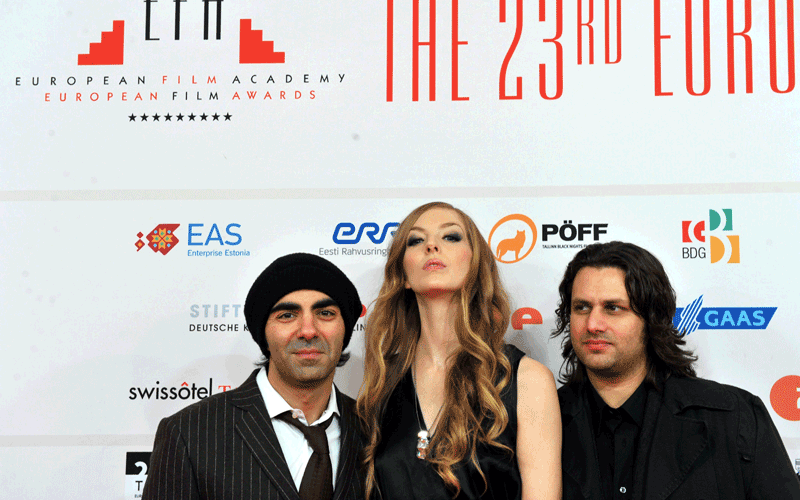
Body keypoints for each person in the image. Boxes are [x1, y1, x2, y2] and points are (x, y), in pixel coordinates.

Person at [552, 241, 800, 500]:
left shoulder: (734, 417)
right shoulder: (543, 422)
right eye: (582, 307)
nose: (592, 324)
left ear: (651, 318)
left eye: (613, 308)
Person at [357, 201, 562, 500]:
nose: (431, 246)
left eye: (450, 237)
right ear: (402, 275)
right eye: (416, 240)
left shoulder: (525, 379)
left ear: (475, 262)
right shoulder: (382, 381)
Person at [143, 253, 365, 500]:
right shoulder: (189, 433)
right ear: (264, 335)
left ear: (345, 329)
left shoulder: (375, 430)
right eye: (287, 315)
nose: (308, 331)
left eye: (325, 313)